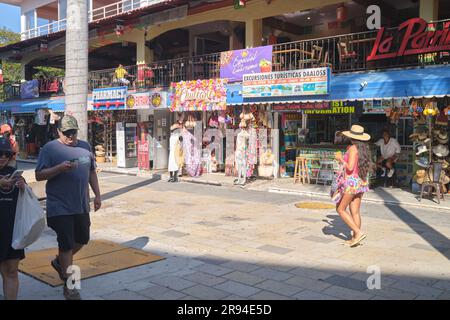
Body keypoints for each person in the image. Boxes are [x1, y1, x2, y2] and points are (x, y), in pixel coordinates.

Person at [35, 115, 101, 300]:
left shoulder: (85, 147)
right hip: (59, 206)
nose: (71, 136)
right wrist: (58, 169)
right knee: (66, 245)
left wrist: (97, 195)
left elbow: (91, 172)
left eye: (73, 132)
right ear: (59, 132)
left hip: (80, 205)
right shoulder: (50, 149)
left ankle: (59, 263)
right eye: (67, 133)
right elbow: (39, 175)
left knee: (82, 239)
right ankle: (69, 285)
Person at [335, 125, 373, 247]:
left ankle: (358, 232)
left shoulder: (352, 148)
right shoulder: (364, 149)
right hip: (361, 181)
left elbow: (350, 167)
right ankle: (355, 238)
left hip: (351, 182)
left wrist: (341, 158)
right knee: (355, 212)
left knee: (340, 209)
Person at [0, 137, 26, 300]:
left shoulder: (14, 174)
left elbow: (26, 200)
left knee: (11, 271)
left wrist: (24, 188)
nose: (2, 157)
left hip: (11, 231)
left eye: (6, 154)